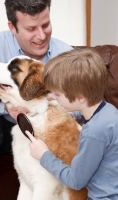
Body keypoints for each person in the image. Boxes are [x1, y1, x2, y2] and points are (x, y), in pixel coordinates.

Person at [0, 0, 73, 199]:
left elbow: (81, 106)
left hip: (47, 130)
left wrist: (51, 106)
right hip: (3, 129)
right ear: (12, 27)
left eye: (45, 25)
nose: (41, 35)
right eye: (31, 29)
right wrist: (5, 108)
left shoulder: (66, 56)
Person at [26, 48, 118, 200]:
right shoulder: (108, 111)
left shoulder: (94, 131)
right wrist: (84, 132)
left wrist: (43, 155)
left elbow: (75, 181)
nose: (52, 98)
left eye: (58, 94)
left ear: (80, 97)